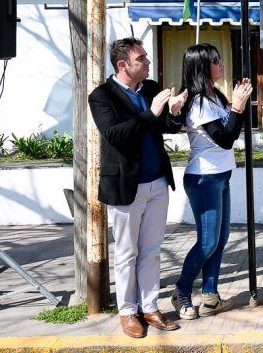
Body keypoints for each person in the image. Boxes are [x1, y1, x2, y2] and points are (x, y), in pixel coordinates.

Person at [88, 37, 188, 339]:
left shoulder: (152, 88)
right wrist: (152, 113)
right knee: (127, 252)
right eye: (141, 58)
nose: (147, 62)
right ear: (123, 64)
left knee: (152, 251)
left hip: (157, 181)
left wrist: (173, 112)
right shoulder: (102, 96)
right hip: (125, 186)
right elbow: (116, 135)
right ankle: (127, 312)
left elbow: (168, 127)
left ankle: (150, 306)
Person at [170, 44, 253, 320]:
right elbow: (226, 138)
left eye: (219, 58)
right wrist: (238, 108)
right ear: (202, 67)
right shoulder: (199, 102)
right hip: (204, 178)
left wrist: (237, 106)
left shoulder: (214, 96)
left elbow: (232, 129)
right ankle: (181, 291)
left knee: (220, 239)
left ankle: (210, 296)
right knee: (207, 242)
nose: (221, 62)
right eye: (215, 60)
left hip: (221, 175)